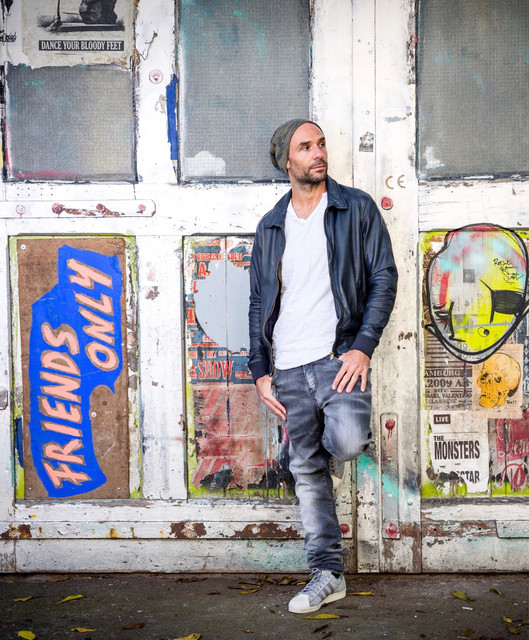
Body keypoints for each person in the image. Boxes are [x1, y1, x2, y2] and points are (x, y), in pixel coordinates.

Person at [248, 119, 398, 614]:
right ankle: (328, 574)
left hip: (339, 359)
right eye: (305, 147)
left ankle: (320, 455)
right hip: (288, 367)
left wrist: (363, 346)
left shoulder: (356, 208)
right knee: (306, 472)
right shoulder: (271, 226)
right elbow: (259, 302)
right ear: (286, 161)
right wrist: (260, 370)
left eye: (321, 144)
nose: (318, 153)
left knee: (349, 443)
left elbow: (383, 276)